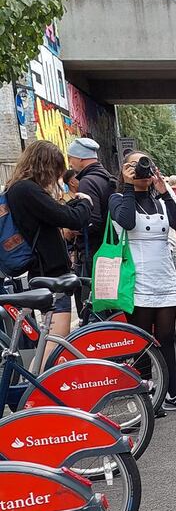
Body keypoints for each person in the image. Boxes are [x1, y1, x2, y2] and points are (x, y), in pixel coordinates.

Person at [109, 153, 176, 412]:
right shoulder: (117, 199)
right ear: (124, 170)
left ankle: (172, 392)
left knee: (166, 338)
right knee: (142, 341)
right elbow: (126, 222)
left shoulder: (160, 198)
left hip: (163, 278)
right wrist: (129, 186)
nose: (142, 170)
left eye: (146, 164)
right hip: (136, 280)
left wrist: (163, 191)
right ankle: (148, 394)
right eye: (135, 165)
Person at [5, 140, 93, 354]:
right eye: (55, 170)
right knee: (54, 344)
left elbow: (51, 215)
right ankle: (45, 386)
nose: (56, 177)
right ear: (46, 166)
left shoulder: (20, 189)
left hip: (45, 271)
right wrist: (86, 203)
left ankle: (43, 382)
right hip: (50, 274)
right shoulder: (27, 190)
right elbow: (69, 218)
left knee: (51, 341)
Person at [67, 137, 115, 304]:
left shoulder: (87, 182)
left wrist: (73, 229)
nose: (70, 162)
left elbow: (92, 221)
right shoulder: (107, 177)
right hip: (109, 250)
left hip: (93, 253)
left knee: (92, 307)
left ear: (80, 158)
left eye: (71, 158)